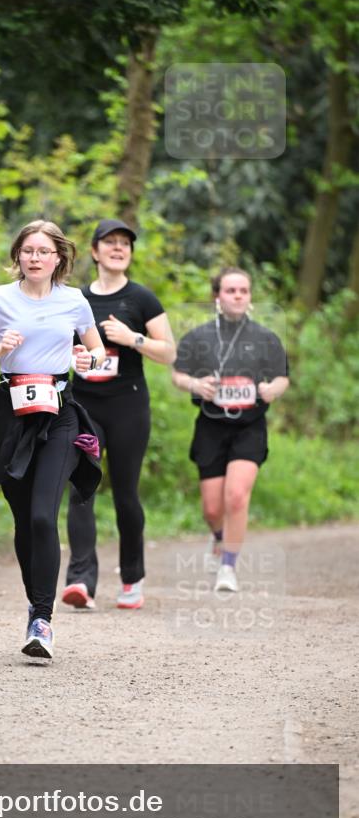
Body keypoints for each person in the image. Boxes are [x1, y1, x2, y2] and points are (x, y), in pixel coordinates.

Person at [0, 219, 105, 661]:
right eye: (28, 251)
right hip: (11, 415)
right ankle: (35, 602)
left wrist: (87, 358)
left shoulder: (74, 300)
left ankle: (42, 619)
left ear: (59, 258)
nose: (35, 258)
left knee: (44, 516)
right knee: (24, 520)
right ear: (17, 256)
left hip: (59, 413)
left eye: (43, 251)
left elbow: (97, 351)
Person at [63, 219, 176, 611]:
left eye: (124, 243)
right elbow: (59, 347)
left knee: (126, 494)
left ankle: (131, 579)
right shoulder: (76, 300)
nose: (117, 248)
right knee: (81, 488)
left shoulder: (141, 298)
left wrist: (133, 339)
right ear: (94, 251)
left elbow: (169, 352)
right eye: (109, 242)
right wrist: (73, 356)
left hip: (128, 407)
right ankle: (81, 581)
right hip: (85, 407)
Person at [171, 266, 289, 591]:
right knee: (212, 508)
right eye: (230, 290)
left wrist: (272, 389)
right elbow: (178, 374)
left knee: (236, 496)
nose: (237, 296)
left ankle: (228, 566)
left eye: (243, 291)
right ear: (217, 296)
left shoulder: (266, 338)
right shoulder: (198, 337)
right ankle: (219, 536)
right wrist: (195, 384)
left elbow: (282, 377)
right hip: (211, 425)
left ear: (250, 297)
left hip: (250, 426)